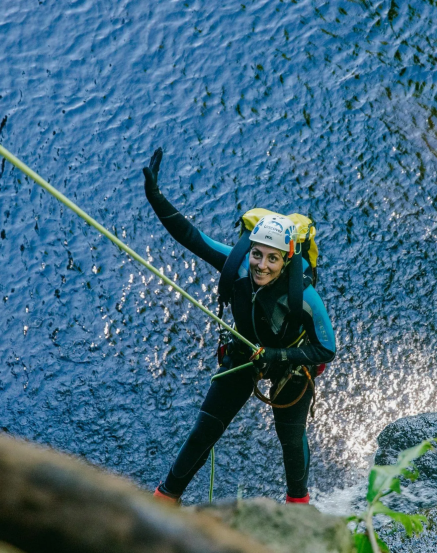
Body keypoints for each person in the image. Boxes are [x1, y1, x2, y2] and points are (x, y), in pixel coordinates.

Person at [142, 148, 336, 504]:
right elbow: (190, 236)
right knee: (205, 430)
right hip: (244, 352)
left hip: (290, 365)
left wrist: (279, 355)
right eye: (258, 253)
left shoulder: (304, 296)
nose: (262, 265)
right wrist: (155, 197)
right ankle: (166, 497)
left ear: (287, 258)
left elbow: (327, 348)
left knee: (291, 440)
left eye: (272, 259)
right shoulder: (239, 265)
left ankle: (298, 506)